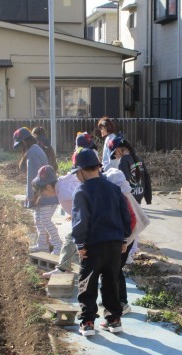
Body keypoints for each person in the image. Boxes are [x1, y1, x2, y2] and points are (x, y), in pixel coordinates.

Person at [71, 148, 131, 337]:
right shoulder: (113, 188)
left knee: (88, 282)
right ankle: (114, 319)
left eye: (76, 173)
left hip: (93, 245)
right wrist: (124, 238)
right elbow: (125, 215)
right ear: (97, 167)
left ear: (81, 171)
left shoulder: (82, 190)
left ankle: (88, 321)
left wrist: (80, 244)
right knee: (111, 280)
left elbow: (80, 219)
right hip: (114, 244)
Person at [42, 133, 97, 279]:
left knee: (72, 238)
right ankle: (68, 267)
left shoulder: (63, 192)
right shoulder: (62, 184)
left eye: (42, 192)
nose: (43, 195)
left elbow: (81, 196)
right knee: (78, 240)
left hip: (92, 219)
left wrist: (79, 215)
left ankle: (63, 268)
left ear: (48, 187)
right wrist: (73, 214)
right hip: (91, 218)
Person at [104, 168, 150, 313]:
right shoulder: (124, 193)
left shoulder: (121, 196)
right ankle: (112, 298)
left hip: (125, 238)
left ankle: (122, 303)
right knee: (112, 270)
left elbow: (131, 220)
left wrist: (123, 241)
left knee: (116, 270)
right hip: (125, 237)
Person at [106, 135, 152, 205]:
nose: (115, 157)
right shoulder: (138, 158)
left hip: (129, 200)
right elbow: (147, 178)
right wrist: (148, 198)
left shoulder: (123, 161)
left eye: (114, 153)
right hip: (139, 197)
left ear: (119, 149)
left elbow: (124, 182)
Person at [30, 165, 63, 255]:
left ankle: (58, 245)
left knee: (45, 220)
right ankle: (42, 245)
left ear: (48, 187)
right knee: (38, 220)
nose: (41, 193)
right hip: (42, 202)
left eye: (42, 191)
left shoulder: (55, 191)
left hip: (49, 202)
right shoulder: (47, 188)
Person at [14, 127, 48, 210]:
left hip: (41, 199)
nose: (20, 148)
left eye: (20, 145)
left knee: (40, 219)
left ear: (24, 142)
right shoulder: (35, 149)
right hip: (43, 195)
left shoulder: (32, 153)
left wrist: (30, 198)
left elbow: (32, 177)